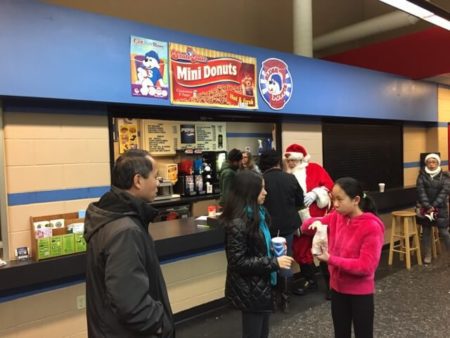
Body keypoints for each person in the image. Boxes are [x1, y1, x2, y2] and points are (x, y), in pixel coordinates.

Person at [84, 149, 174, 338]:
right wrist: (161, 325)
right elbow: (130, 304)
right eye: (155, 177)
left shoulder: (110, 217)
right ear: (138, 181)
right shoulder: (125, 231)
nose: (157, 183)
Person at [301, 177, 384, 338]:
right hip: (338, 289)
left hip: (360, 293)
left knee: (363, 334)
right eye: (333, 199)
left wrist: (330, 259)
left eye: (340, 199)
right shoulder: (336, 217)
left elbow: (366, 267)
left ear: (356, 200)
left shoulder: (371, 226)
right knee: (340, 333)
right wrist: (312, 223)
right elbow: (307, 228)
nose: (335, 204)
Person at [221, 170, 294, 338]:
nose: (265, 192)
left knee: (262, 332)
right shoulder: (238, 222)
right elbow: (237, 262)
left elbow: (256, 247)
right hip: (250, 288)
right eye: (261, 189)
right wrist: (274, 263)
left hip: (262, 283)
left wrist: (272, 249)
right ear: (249, 192)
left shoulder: (258, 214)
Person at [284, 143, 334, 298]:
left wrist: (315, 193)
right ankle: (310, 281)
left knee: (324, 251)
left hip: (318, 221)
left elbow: (330, 186)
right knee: (301, 252)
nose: (291, 163)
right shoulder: (288, 175)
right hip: (300, 222)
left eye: (293, 160)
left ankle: (332, 286)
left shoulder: (315, 168)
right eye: (288, 161)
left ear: (300, 159)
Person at [259, 149, 304, 313]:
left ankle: (271, 297)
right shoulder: (290, 178)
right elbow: (300, 200)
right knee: (285, 260)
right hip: (287, 226)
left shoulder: (260, 180)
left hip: (266, 228)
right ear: (279, 162)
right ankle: (285, 300)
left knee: (268, 260)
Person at [416, 153, 450, 264]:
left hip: (440, 208)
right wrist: (428, 206)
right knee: (426, 232)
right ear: (426, 163)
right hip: (426, 209)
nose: (431, 164)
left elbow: (444, 192)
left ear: (438, 163)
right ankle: (427, 255)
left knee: (444, 232)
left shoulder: (445, 176)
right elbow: (421, 192)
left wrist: (434, 205)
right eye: (429, 162)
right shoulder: (421, 176)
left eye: (434, 162)